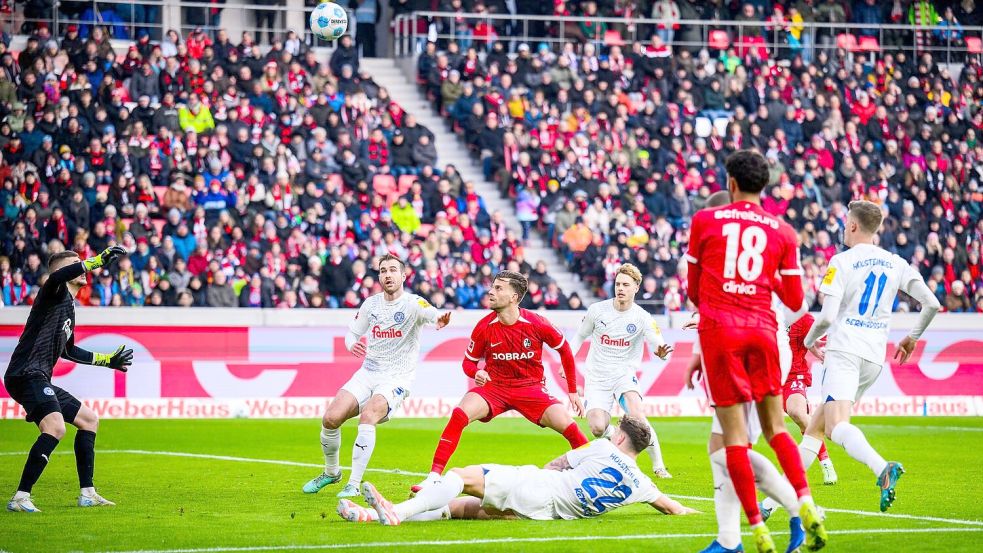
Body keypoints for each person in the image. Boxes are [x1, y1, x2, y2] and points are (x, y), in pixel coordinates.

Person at [685, 150, 826, 552]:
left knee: (730, 444)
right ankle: (800, 504)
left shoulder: (705, 221)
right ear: (765, 185)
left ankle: (750, 532)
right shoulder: (782, 231)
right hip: (765, 334)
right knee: (769, 432)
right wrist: (764, 282)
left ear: (730, 183)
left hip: (723, 334)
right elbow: (797, 297)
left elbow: (694, 292)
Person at [768, 200, 940, 515]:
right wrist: (912, 337)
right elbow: (932, 304)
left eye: (846, 221)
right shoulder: (896, 262)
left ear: (852, 225)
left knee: (835, 427)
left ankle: (881, 468)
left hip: (845, 352)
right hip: (873, 359)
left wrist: (808, 341)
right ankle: (770, 504)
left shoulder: (842, 262)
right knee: (814, 430)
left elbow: (827, 315)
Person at [412, 270, 588, 494]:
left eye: (498, 288)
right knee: (459, 414)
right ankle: (433, 477)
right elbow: (467, 363)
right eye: (492, 287)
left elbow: (564, 349)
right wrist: (476, 371)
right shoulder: (484, 326)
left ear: (514, 297)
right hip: (495, 388)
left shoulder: (537, 323)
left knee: (569, 426)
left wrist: (572, 390)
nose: (490, 292)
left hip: (531, 388)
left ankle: (597, 473)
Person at [338, 416, 698, 525]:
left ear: (619, 436)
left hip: (542, 487)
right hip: (548, 515)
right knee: (467, 510)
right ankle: (370, 516)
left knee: (463, 476)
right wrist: (697, 512)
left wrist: (535, 477)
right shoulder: (643, 484)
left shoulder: (604, 446)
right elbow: (673, 507)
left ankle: (396, 513)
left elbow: (558, 464)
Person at [301, 253, 452, 498]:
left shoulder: (414, 303)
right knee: (330, 418)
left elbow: (432, 313)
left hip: (396, 378)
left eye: (393, 270)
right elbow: (351, 334)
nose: (387, 274)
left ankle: (353, 483)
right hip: (368, 373)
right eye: (383, 271)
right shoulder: (370, 304)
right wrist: (351, 345)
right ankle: (331, 473)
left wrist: (440, 319)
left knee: (368, 415)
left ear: (403, 276)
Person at [5, 246, 133, 513]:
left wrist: (107, 360)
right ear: (63, 271)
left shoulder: (69, 308)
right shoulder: (53, 292)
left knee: (89, 420)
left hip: (40, 377)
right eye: (76, 263)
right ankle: (20, 496)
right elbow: (54, 278)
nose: (83, 266)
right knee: (55, 428)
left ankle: (87, 493)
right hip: (25, 373)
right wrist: (96, 261)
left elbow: (69, 350)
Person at [569, 262, 675, 478]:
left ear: (636, 287)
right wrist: (568, 362)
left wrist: (662, 352)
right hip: (597, 377)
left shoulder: (642, 317)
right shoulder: (597, 311)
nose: (620, 289)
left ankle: (659, 465)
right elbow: (580, 336)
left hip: (623, 374)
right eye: (618, 284)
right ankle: (615, 436)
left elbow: (659, 345)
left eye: (626, 285)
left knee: (637, 415)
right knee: (597, 428)